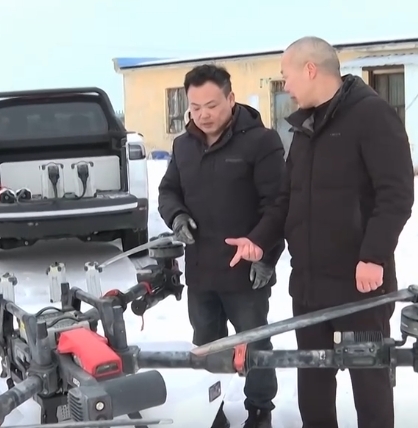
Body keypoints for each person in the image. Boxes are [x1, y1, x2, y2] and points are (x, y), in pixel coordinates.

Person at [226, 37, 415, 428]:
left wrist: (374, 255)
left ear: (310, 69)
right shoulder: (306, 127)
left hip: (359, 288)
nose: (286, 86)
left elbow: (396, 195)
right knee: (313, 387)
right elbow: (286, 199)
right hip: (309, 286)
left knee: (370, 386)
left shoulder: (372, 116)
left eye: (287, 76)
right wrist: (259, 239)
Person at [158, 64, 286, 428]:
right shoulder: (184, 145)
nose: (203, 115)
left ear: (231, 98)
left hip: (246, 270)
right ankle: (211, 411)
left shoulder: (261, 142)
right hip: (201, 270)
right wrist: (177, 217)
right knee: (207, 346)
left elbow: (278, 204)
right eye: (195, 107)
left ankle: (260, 410)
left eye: (211, 105)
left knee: (255, 343)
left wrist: (267, 254)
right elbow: (168, 191)